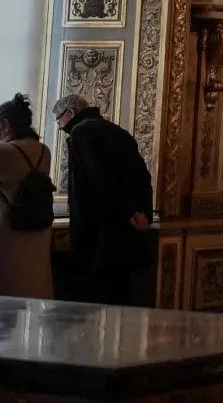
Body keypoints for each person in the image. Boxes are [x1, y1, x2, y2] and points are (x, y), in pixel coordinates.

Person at [52, 93, 154, 304]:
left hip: (97, 231)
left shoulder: (81, 132)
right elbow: (142, 176)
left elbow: (98, 179)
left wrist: (125, 212)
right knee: (120, 297)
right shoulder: (119, 132)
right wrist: (142, 213)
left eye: (59, 119)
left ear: (71, 113)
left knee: (93, 301)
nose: (60, 127)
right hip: (127, 230)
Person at [0, 94, 54, 299]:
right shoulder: (44, 151)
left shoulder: (1, 152)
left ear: (6, 125)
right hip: (35, 235)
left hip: (4, 235)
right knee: (29, 292)